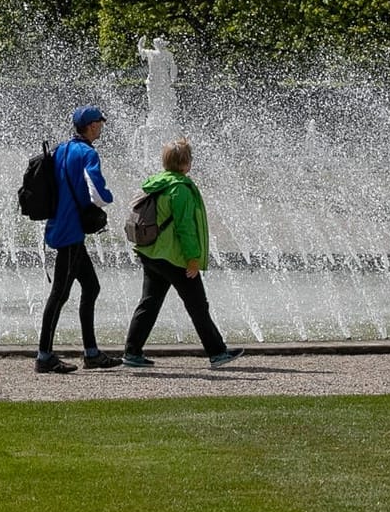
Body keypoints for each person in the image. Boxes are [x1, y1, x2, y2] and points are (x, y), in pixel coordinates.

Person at [122, 137, 243, 369]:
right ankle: (217, 353)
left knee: (149, 303)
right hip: (174, 257)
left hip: (151, 253)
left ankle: (132, 352)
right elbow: (185, 228)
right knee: (198, 305)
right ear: (185, 163)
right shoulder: (180, 189)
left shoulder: (156, 183)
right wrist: (193, 259)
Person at [36, 105, 122, 374]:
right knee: (59, 294)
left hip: (59, 225)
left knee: (91, 287)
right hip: (72, 232)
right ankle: (44, 356)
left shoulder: (61, 149)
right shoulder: (88, 153)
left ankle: (91, 353)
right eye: (100, 122)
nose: (102, 126)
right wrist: (108, 200)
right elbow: (96, 191)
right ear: (91, 126)